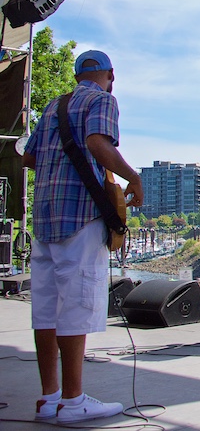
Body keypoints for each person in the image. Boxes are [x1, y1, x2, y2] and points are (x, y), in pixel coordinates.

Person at [24, 50, 144, 423]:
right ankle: (73, 402)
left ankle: (49, 397)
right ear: (111, 74)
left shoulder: (52, 107)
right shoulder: (104, 99)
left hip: (44, 215)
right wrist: (133, 177)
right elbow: (97, 143)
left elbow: (28, 158)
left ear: (77, 75)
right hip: (79, 216)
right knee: (75, 303)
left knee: (45, 308)